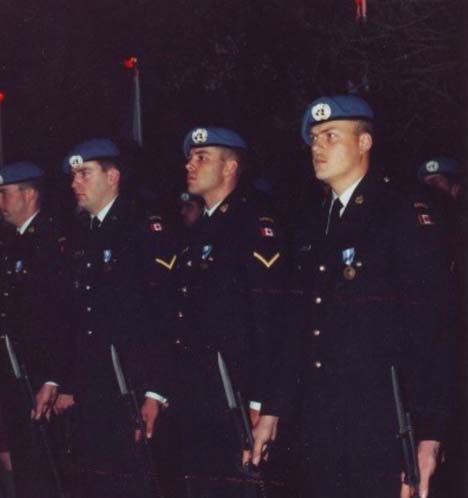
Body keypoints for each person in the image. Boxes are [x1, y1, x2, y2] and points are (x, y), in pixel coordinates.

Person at [293, 95, 454, 498]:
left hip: (382, 428)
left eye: (331, 136)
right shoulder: (316, 222)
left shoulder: (401, 213)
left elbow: (432, 328)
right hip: (323, 427)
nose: (317, 146)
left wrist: (429, 435)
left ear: (364, 143)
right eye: (314, 138)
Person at [37, 139, 175, 498]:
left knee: (132, 483)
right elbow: (77, 316)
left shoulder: (143, 227)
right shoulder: (84, 233)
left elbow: (162, 315)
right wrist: (62, 379)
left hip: (130, 385)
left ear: (112, 177)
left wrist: (155, 391)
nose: (74, 183)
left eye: (84, 173)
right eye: (72, 175)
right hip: (92, 389)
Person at [167, 127, 293, 496]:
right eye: (190, 157)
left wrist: (260, 400)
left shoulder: (254, 224)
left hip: (236, 396)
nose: (190, 164)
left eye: (202, 157)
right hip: (199, 397)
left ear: (230, 167)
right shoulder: (199, 229)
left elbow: (269, 319)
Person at [0, 161, 69, 497]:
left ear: (29, 194)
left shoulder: (51, 241)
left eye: (4, 194)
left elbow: (60, 316)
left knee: (44, 469)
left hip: (39, 377)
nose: (0, 204)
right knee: (24, 466)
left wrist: (54, 377)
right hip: (15, 373)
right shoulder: (13, 242)